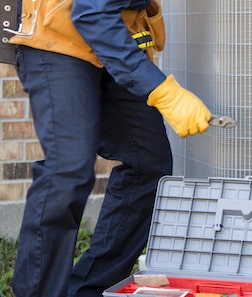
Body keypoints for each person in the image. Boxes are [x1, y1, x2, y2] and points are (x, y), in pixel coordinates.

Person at [6, 0, 212, 296]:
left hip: (116, 35)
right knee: (69, 169)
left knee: (148, 164)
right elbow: (91, 10)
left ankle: (88, 289)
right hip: (59, 36)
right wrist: (161, 90)